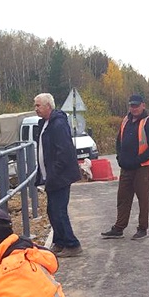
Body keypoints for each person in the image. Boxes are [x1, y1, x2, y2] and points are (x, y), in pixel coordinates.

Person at [101, 94, 149, 240]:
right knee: (123, 198)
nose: (134, 108)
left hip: (142, 168)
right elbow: (118, 141)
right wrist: (119, 157)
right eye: (132, 105)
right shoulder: (125, 121)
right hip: (126, 167)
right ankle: (119, 228)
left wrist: (138, 161)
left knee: (143, 199)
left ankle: (142, 229)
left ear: (143, 105)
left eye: (136, 105)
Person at [33, 92, 83, 257]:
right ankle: (60, 242)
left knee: (59, 210)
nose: (36, 109)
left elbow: (65, 152)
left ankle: (72, 244)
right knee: (52, 210)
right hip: (51, 176)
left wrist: (53, 173)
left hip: (59, 176)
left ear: (48, 106)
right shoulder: (46, 123)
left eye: (38, 105)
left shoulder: (58, 124)